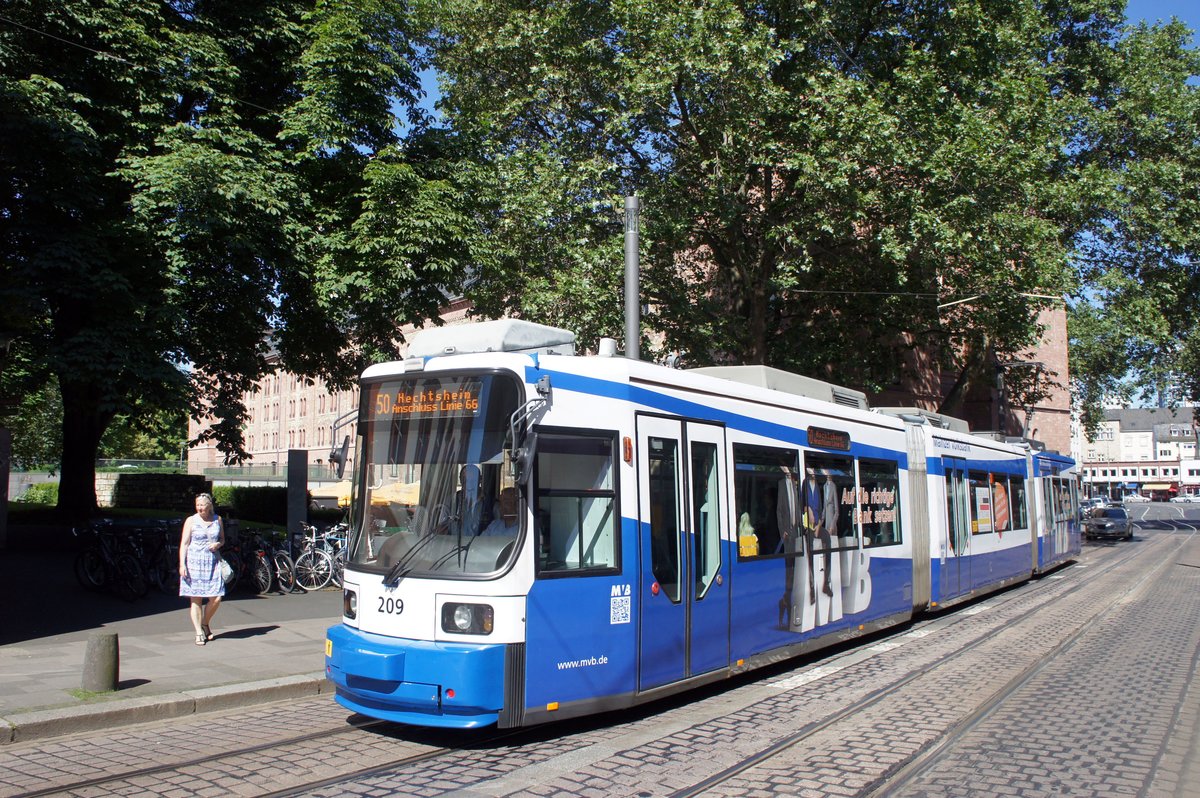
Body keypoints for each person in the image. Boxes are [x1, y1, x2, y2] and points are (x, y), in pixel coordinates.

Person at [179, 492, 225, 646]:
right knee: (196, 598)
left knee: (216, 597)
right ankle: (199, 631)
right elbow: (184, 543)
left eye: (202, 505)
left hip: (212, 562)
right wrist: (182, 564)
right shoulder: (191, 520)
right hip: (194, 562)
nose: (199, 508)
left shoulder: (217, 519)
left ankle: (205, 622)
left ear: (209, 505)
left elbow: (222, 539)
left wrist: (218, 544)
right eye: (197, 505)